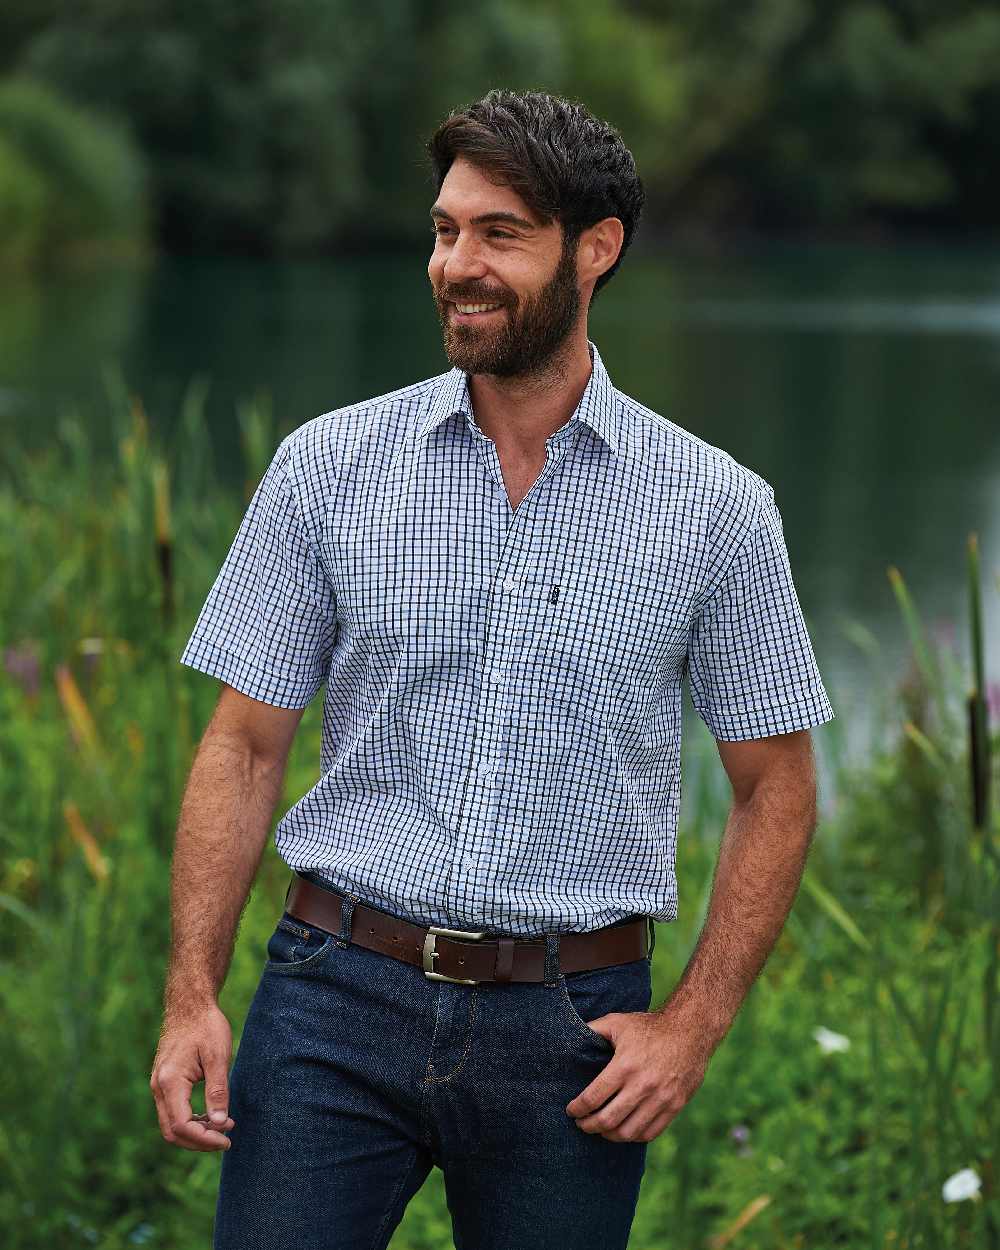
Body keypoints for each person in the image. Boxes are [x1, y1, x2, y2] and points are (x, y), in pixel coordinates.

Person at [151, 88, 835, 1250]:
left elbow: (778, 785)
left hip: (572, 1030)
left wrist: (692, 1024)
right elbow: (244, 739)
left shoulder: (715, 508)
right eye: (444, 228)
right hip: (331, 996)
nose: (455, 263)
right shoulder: (328, 464)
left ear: (595, 249)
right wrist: (189, 995)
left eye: (498, 233)